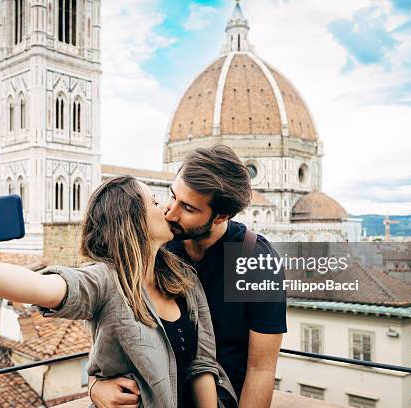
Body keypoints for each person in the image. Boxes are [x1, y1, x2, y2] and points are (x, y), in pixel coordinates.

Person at [0, 175, 238, 408]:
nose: (167, 209)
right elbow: (42, 287)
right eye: (155, 203)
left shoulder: (183, 278)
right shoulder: (105, 281)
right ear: (133, 221)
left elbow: (202, 362)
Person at [91, 145, 286, 408]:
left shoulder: (255, 261)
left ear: (221, 216)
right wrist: (95, 386)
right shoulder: (159, 246)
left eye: (188, 208)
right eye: (172, 196)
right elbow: (109, 321)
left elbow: (261, 369)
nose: (170, 212)